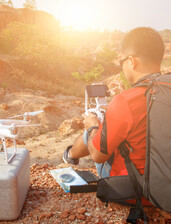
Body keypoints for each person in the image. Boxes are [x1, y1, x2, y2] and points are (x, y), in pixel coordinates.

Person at [63, 27, 164, 180]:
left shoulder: (126, 101)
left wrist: (92, 126)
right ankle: (70, 154)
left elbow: (98, 156)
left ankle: (69, 155)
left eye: (121, 61)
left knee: (93, 131)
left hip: (137, 187)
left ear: (131, 61)